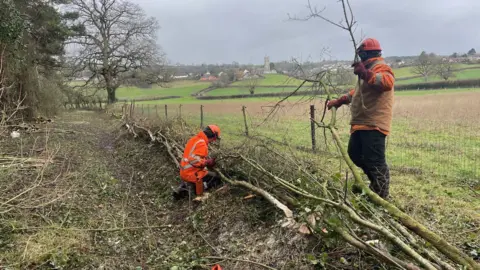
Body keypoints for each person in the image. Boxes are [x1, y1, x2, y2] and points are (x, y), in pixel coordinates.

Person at [327, 38, 395, 199]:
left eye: (360, 55)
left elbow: (387, 82)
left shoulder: (381, 67)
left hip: (374, 123)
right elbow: (357, 93)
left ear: (365, 54)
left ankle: (381, 194)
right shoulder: (368, 72)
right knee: (355, 154)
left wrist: (365, 73)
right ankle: (375, 184)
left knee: (375, 161)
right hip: (361, 123)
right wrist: (339, 101)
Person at [173, 124, 222, 200]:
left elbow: (193, 156)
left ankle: (185, 186)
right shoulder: (202, 144)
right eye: (215, 138)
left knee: (206, 173)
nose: (214, 141)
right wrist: (207, 162)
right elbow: (194, 160)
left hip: (184, 171)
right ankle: (194, 190)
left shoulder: (195, 139)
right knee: (216, 178)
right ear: (213, 136)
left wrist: (205, 161)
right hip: (191, 174)